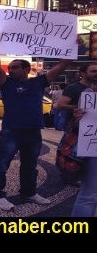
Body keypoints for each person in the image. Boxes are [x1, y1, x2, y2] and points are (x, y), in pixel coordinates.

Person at [0, 32, 74, 211]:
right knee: (1, 164)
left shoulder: (38, 82)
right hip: (11, 131)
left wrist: (72, 44)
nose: (10, 70)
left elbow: (63, 64)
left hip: (33, 131)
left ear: (27, 69)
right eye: (10, 67)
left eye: (15, 67)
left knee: (30, 165)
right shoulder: (6, 83)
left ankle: (28, 193)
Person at [57, 63, 97, 217]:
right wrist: (78, 114)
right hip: (91, 145)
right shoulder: (86, 92)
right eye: (93, 70)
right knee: (90, 194)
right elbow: (61, 106)